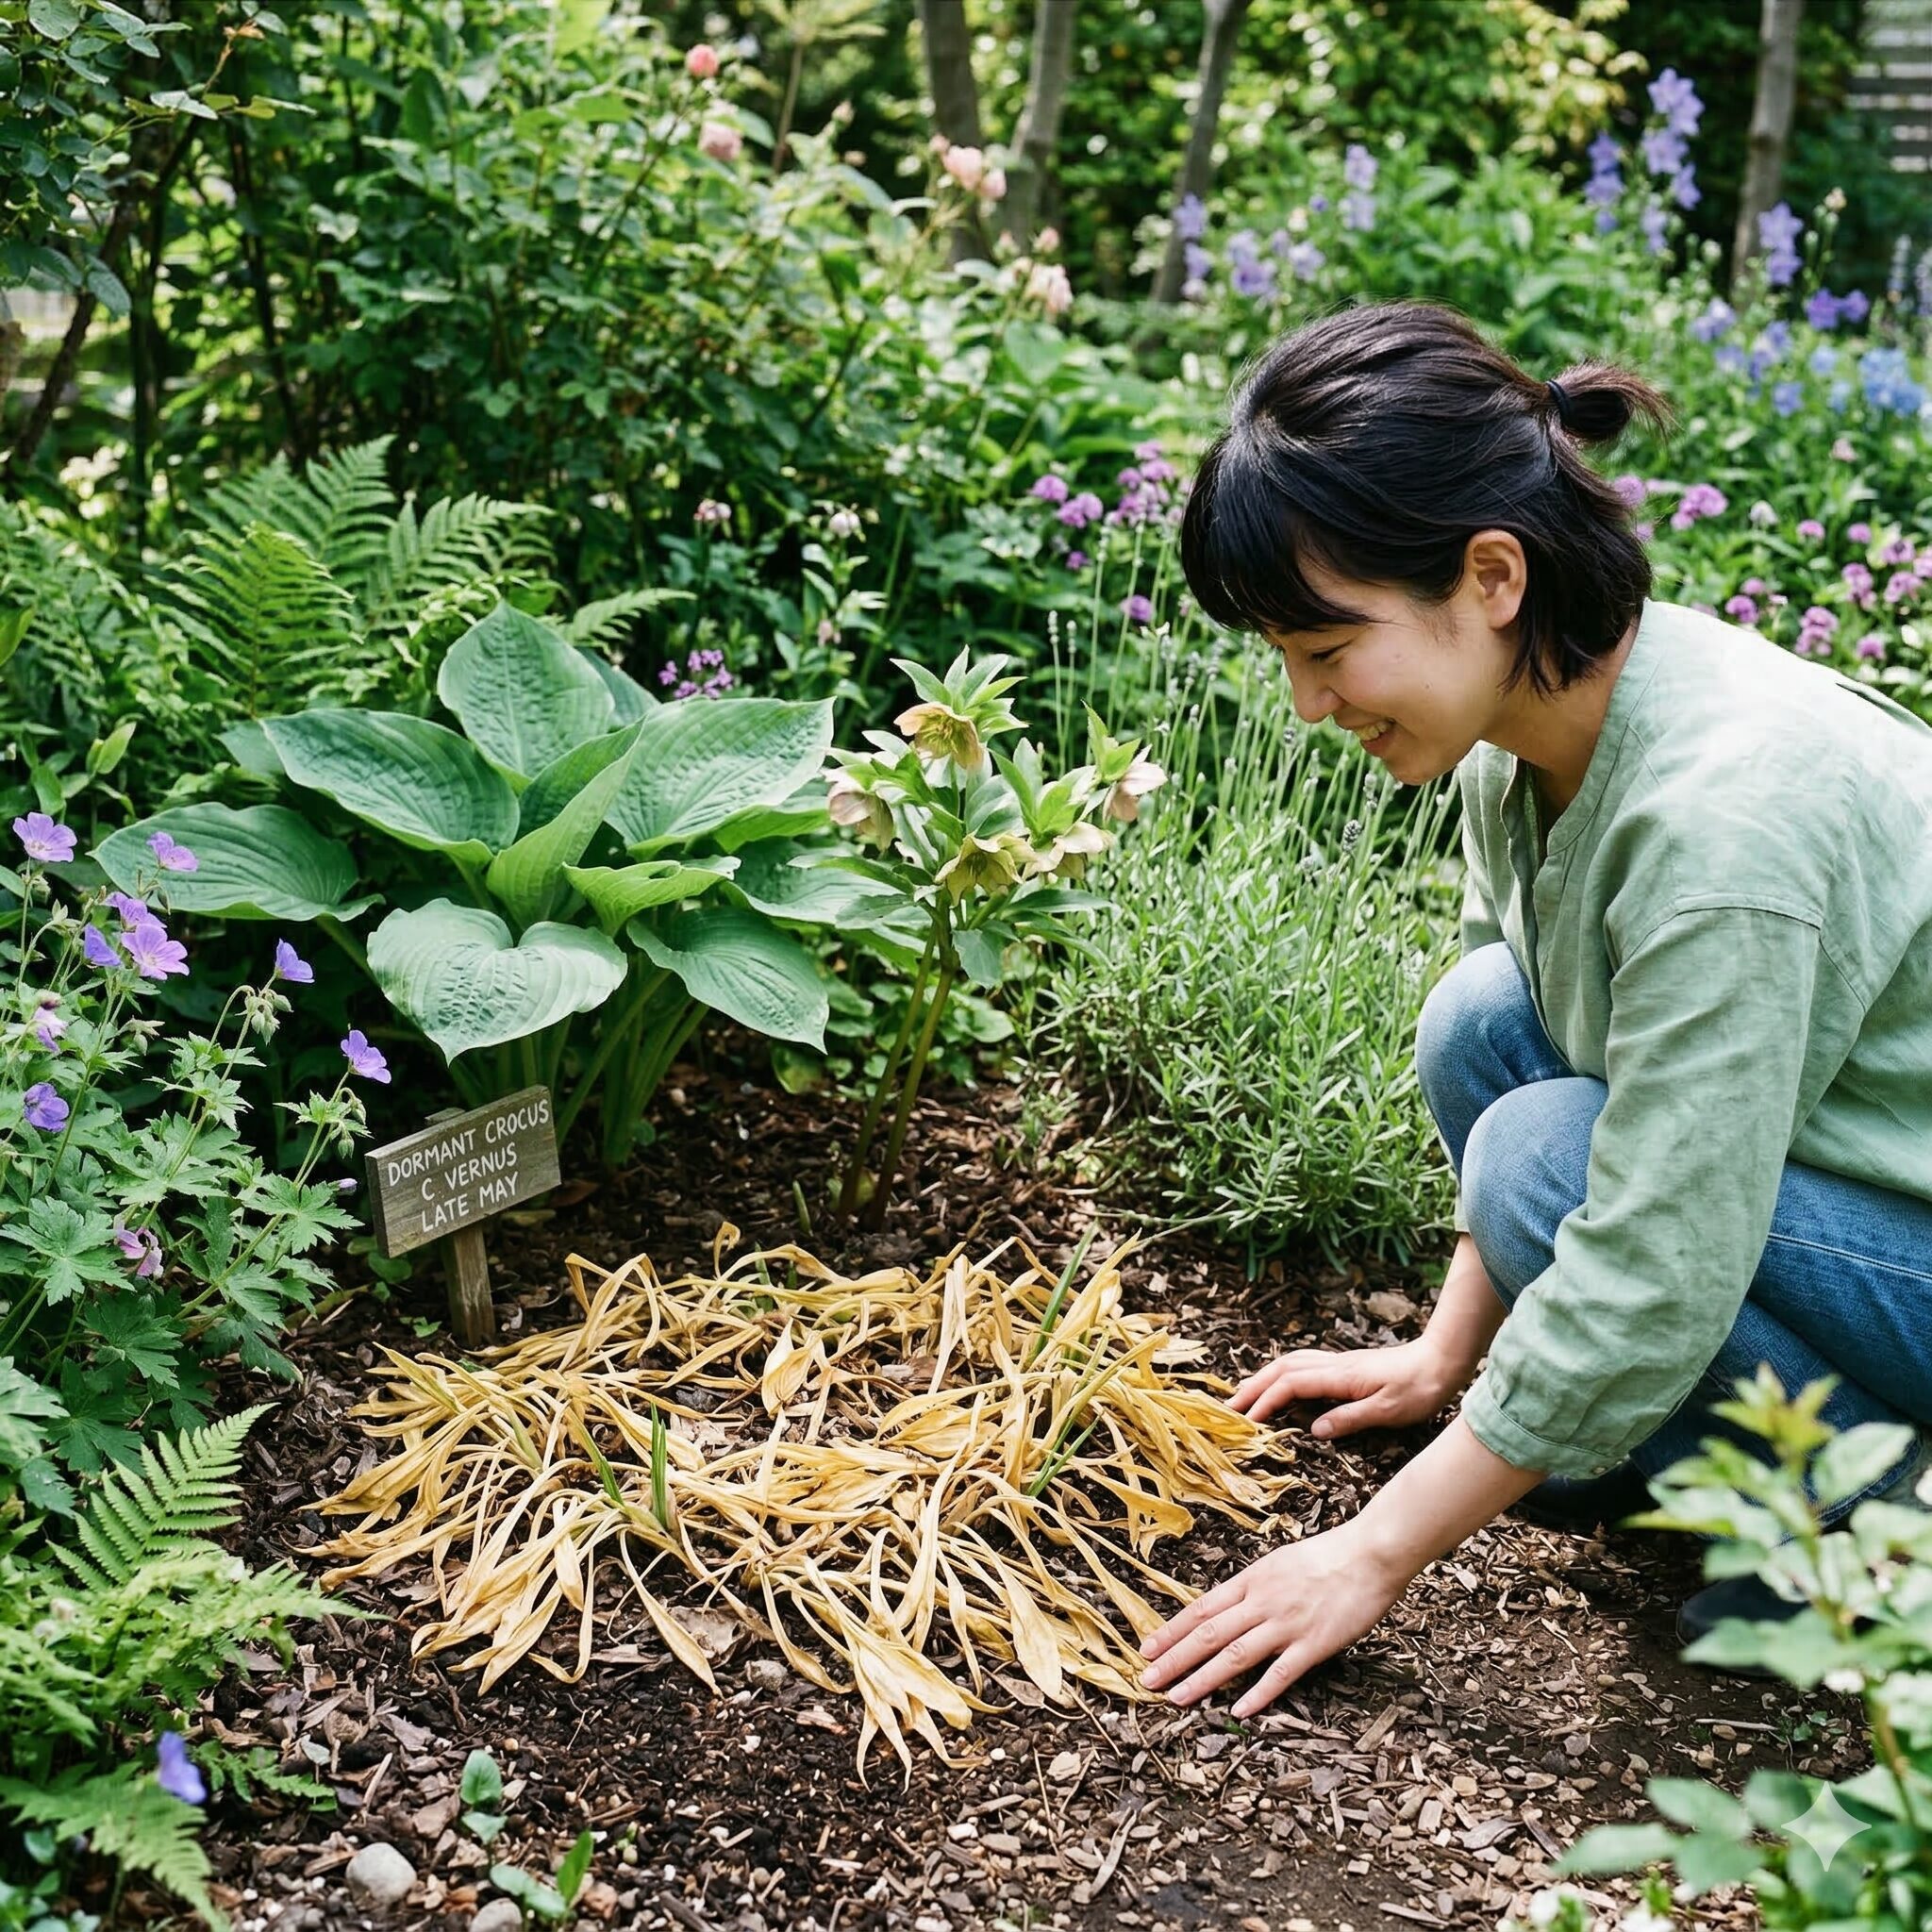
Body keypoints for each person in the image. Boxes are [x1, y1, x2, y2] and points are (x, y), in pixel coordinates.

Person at [1138, 300, 1932, 1721]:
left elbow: (1659, 1247)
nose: (1310, 704)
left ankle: (1876, 1500)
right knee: (1486, 1021)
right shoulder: (1541, 730)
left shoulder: (1722, 828)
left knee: (1543, 1157)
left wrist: (1373, 1556)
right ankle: (1667, 1439)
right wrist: (1450, 1359)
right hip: (1863, 1185)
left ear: (1491, 574)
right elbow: (1543, 1034)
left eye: (1329, 646)